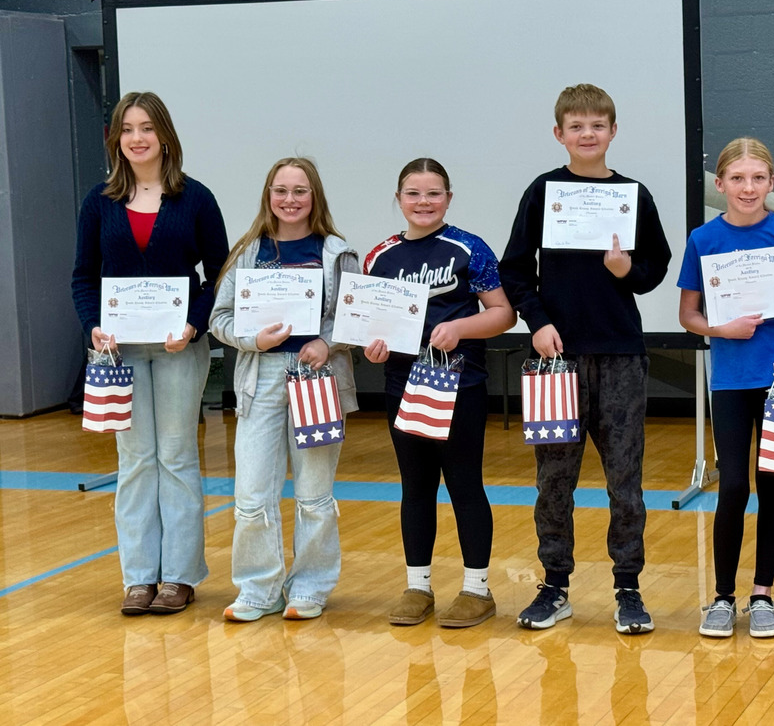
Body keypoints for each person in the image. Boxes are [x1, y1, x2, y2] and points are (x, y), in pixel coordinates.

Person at [499, 84, 671, 634]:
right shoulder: (542, 191)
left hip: (620, 354)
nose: (587, 134)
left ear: (613, 132)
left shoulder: (635, 195)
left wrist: (628, 271)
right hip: (558, 360)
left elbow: (655, 267)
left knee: (626, 480)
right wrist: (539, 322)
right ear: (560, 134)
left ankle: (628, 587)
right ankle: (555, 586)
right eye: (576, 127)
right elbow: (515, 271)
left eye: (598, 126)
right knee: (554, 478)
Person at [71, 91, 229, 615]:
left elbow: (219, 276)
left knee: (178, 456)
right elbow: (82, 277)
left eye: (147, 128)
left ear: (164, 135)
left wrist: (192, 324)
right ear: (116, 139)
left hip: (179, 347)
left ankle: (179, 576)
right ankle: (139, 575)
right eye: (127, 129)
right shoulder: (99, 202)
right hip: (119, 354)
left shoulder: (196, 198)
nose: (137, 138)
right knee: (136, 460)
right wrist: (94, 326)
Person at [364, 157, 516, 628]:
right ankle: (417, 586)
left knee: (465, 484)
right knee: (416, 487)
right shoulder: (379, 257)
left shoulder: (469, 248)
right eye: (413, 193)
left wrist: (459, 327)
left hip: (460, 384)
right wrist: (373, 348)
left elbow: (503, 314)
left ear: (448, 198)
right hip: (401, 385)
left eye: (433, 193)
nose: (423, 202)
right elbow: (372, 322)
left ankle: (477, 589)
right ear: (398, 199)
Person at [210, 157, 359, 622]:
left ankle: (310, 588)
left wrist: (325, 342)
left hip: (318, 378)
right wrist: (253, 340)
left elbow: (355, 319)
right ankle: (258, 589)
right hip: (260, 380)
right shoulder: (248, 252)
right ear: (268, 196)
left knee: (314, 493)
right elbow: (219, 319)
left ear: (314, 196)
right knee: (252, 494)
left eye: (300, 190)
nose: (290, 199)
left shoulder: (337, 251)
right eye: (281, 190)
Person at [678, 137, 774, 638]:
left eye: (758, 178)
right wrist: (721, 330)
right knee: (733, 484)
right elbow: (688, 314)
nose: (748, 187)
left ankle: (763, 596)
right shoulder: (703, 239)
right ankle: (721, 596)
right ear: (720, 185)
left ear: (771, 183)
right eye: (737, 178)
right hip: (731, 380)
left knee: (772, 481)